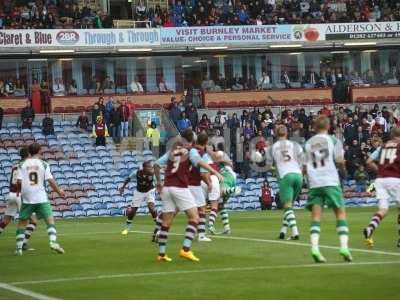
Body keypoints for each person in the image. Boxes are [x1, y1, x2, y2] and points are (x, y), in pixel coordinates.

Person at [153, 132, 223, 262]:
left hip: (167, 188)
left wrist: (158, 182)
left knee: (167, 222)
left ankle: (161, 254)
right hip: (180, 188)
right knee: (195, 217)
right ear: (192, 140)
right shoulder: (191, 151)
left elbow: (156, 164)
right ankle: (185, 250)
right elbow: (199, 162)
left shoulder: (172, 151)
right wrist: (215, 172)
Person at [304, 115, 352, 263]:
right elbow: (339, 160)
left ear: (314, 127)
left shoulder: (308, 143)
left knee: (316, 217)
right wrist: (344, 170)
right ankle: (344, 247)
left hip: (315, 182)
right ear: (328, 126)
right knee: (340, 213)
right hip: (330, 179)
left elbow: (305, 167)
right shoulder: (333, 140)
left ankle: (315, 248)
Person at [15, 143, 65, 256]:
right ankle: (53, 242)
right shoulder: (44, 164)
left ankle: (18, 249)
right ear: (39, 151)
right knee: (50, 220)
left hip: (27, 197)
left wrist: (20, 192)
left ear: (29, 152)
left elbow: (18, 181)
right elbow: (50, 181)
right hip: (41, 196)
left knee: (22, 223)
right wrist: (59, 191)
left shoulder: (22, 164)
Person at [364, 127, 400, 248]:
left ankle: (370, 228)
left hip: (380, 180)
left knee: (383, 210)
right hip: (395, 179)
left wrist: (380, 170)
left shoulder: (383, 146)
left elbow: (368, 161)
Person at [266, 125, 303, 240]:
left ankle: (295, 232)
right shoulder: (294, 145)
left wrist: (274, 169)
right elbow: (302, 160)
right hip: (298, 175)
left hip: (286, 176)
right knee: (289, 206)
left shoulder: (272, 148)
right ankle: (283, 231)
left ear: (276, 134)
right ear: (287, 133)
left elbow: (268, 166)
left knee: (287, 206)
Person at [0, 147, 38, 251]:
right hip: (20, 195)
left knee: (6, 220)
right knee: (33, 221)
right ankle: (23, 244)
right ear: (29, 154)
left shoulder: (15, 166)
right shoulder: (27, 166)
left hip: (11, 194)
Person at [119, 161, 158, 235]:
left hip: (149, 190)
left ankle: (158, 225)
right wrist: (123, 187)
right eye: (149, 167)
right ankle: (127, 228)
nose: (150, 168)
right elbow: (128, 179)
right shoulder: (137, 173)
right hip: (139, 192)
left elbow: (157, 183)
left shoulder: (153, 174)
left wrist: (159, 190)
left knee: (151, 207)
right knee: (132, 211)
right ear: (144, 168)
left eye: (151, 167)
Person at [188, 132, 213, 242]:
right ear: (206, 142)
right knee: (201, 208)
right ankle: (201, 235)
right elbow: (203, 173)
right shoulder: (203, 154)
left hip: (182, 184)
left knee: (173, 210)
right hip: (194, 184)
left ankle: (159, 230)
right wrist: (209, 183)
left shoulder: (190, 150)